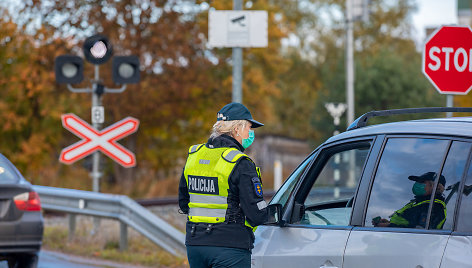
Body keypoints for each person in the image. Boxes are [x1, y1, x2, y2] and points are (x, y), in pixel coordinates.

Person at [178, 102, 269, 268]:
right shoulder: (239, 162)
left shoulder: (194, 156)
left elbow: (184, 204)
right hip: (230, 247)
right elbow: (256, 215)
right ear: (236, 129)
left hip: (195, 245)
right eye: (249, 127)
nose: (251, 133)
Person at [373, 172, 447, 229]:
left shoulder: (434, 207)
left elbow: (419, 231)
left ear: (435, 187)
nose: (417, 184)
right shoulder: (420, 203)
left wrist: (388, 226)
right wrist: (389, 223)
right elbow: (409, 224)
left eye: (422, 182)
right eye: (417, 182)